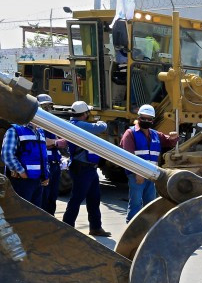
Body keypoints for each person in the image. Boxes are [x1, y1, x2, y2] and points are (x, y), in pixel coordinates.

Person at [61, 101, 112, 237]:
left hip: (88, 168)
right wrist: (102, 121)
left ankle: (95, 227)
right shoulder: (79, 124)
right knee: (77, 199)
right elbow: (100, 127)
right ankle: (67, 226)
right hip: (82, 168)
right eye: (87, 113)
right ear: (84, 114)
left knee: (94, 199)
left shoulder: (73, 124)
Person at [119, 104, 178, 221]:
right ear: (138, 118)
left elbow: (169, 142)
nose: (146, 121)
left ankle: (147, 228)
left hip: (151, 175)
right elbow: (127, 156)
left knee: (150, 204)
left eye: (149, 119)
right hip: (137, 175)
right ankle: (132, 230)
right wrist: (138, 173)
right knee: (135, 203)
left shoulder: (155, 134)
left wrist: (173, 137)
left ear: (152, 120)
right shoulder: (130, 133)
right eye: (143, 118)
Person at [2, 116, 48, 208]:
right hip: (21, 181)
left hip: (38, 181)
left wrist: (46, 175)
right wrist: (21, 171)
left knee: (35, 213)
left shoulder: (40, 132)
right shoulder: (14, 130)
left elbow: (44, 156)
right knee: (20, 212)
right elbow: (7, 154)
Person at [35, 94, 66, 216]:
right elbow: (43, 142)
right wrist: (55, 142)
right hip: (45, 165)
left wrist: (54, 143)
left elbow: (62, 142)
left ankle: (50, 220)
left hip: (55, 165)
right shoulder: (37, 124)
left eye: (49, 106)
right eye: (45, 106)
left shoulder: (51, 123)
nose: (48, 109)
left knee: (52, 198)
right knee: (44, 197)